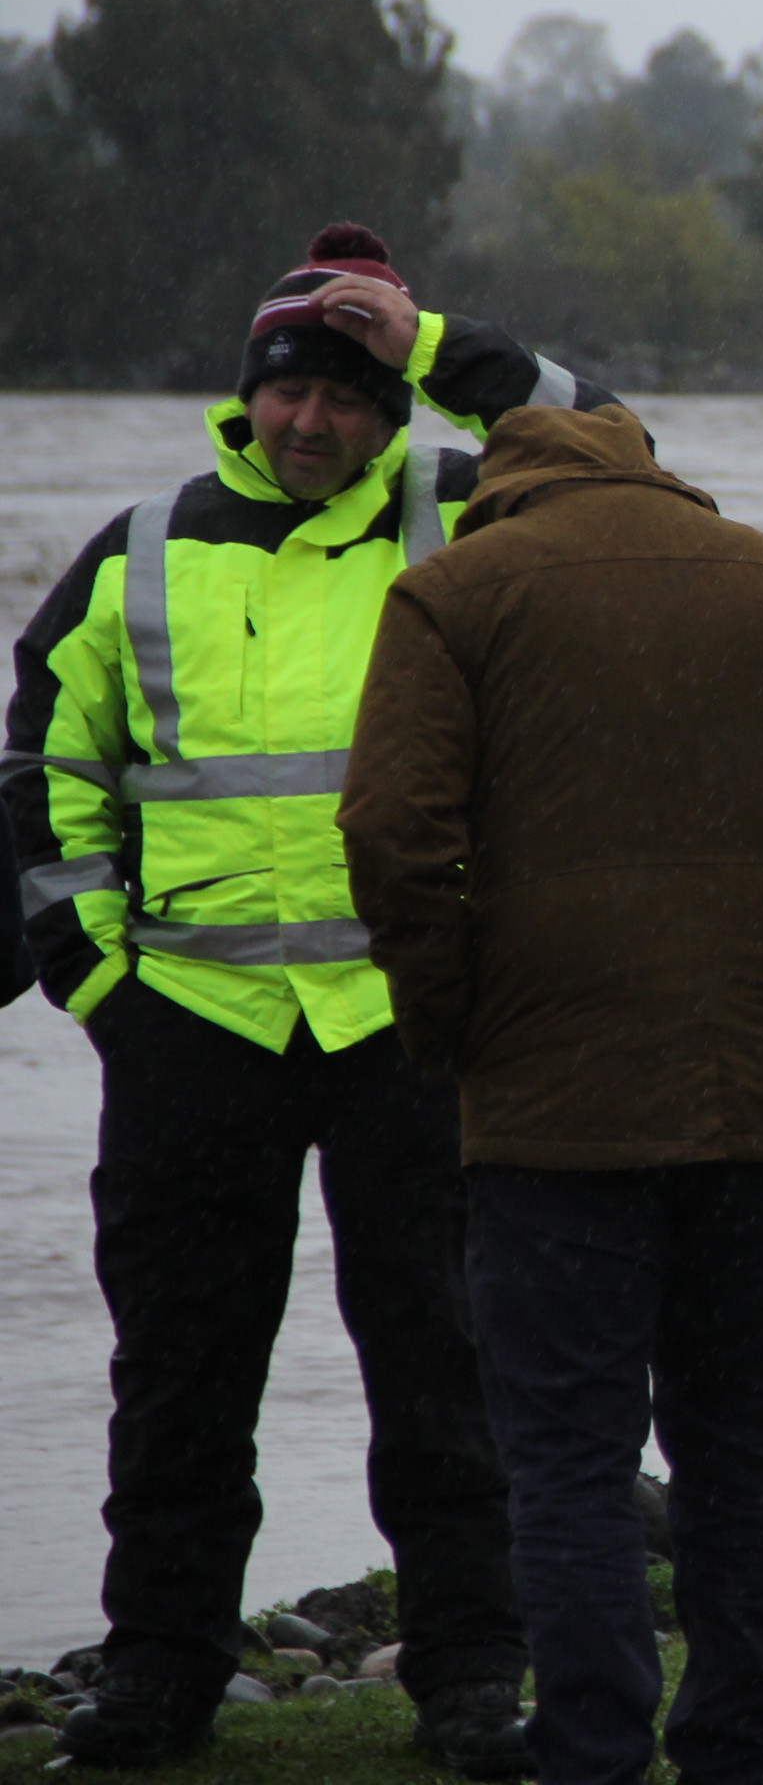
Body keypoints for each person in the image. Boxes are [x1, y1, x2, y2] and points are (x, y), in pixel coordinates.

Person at [3, 223, 617, 1775]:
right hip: (186, 1035)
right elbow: (44, 768)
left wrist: (428, 335)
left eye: (347, 396)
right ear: (246, 397)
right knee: (181, 1378)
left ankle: (474, 1678)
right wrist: (90, 974)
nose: (311, 422)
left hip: (409, 1030)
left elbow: (609, 442)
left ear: (390, 407)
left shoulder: (471, 518)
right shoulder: (139, 550)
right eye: (289, 393)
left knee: (447, 1374)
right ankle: (157, 1674)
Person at [339, 399, 763, 1785]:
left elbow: (393, 835)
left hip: (549, 1109)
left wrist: (455, 1029)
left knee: (568, 1455)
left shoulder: (449, 595)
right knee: (739, 1439)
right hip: (761, 1096)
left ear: (498, 490)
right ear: (655, 472)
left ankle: (590, 1746)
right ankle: (739, 1746)